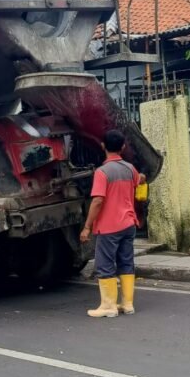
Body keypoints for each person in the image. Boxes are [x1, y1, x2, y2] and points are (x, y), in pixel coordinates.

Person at [80, 130, 145, 318]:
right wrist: (143, 177)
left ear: (103, 146)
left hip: (109, 226)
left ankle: (108, 306)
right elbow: (139, 179)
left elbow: (98, 200)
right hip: (129, 224)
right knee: (126, 262)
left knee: (105, 264)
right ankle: (127, 304)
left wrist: (87, 226)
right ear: (123, 147)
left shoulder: (102, 172)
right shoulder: (129, 168)